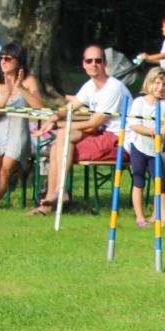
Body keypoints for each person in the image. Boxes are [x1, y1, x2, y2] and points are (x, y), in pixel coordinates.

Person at [31, 45, 128, 215]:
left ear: (105, 63)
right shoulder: (90, 85)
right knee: (60, 140)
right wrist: (53, 118)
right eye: (89, 61)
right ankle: (51, 199)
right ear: (83, 64)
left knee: (62, 141)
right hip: (102, 134)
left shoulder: (113, 88)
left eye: (98, 60)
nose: (93, 64)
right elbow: (71, 107)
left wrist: (61, 125)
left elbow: (93, 124)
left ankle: (58, 194)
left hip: (119, 140)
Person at [0, 43, 43, 209]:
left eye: (7, 58)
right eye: (1, 58)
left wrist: (20, 89)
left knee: (5, 170)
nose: (3, 62)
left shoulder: (28, 80)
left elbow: (39, 108)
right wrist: (5, 96)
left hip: (18, 132)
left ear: (18, 61)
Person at [124, 68, 165, 227]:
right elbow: (134, 125)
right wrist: (151, 131)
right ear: (149, 83)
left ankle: (163, 217)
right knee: (138, 180)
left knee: (161, 182)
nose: (161, 87)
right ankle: (140, 217)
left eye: (164, 84)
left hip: (156, 150)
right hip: (138, 146)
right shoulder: (139, 102)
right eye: (157, 83)